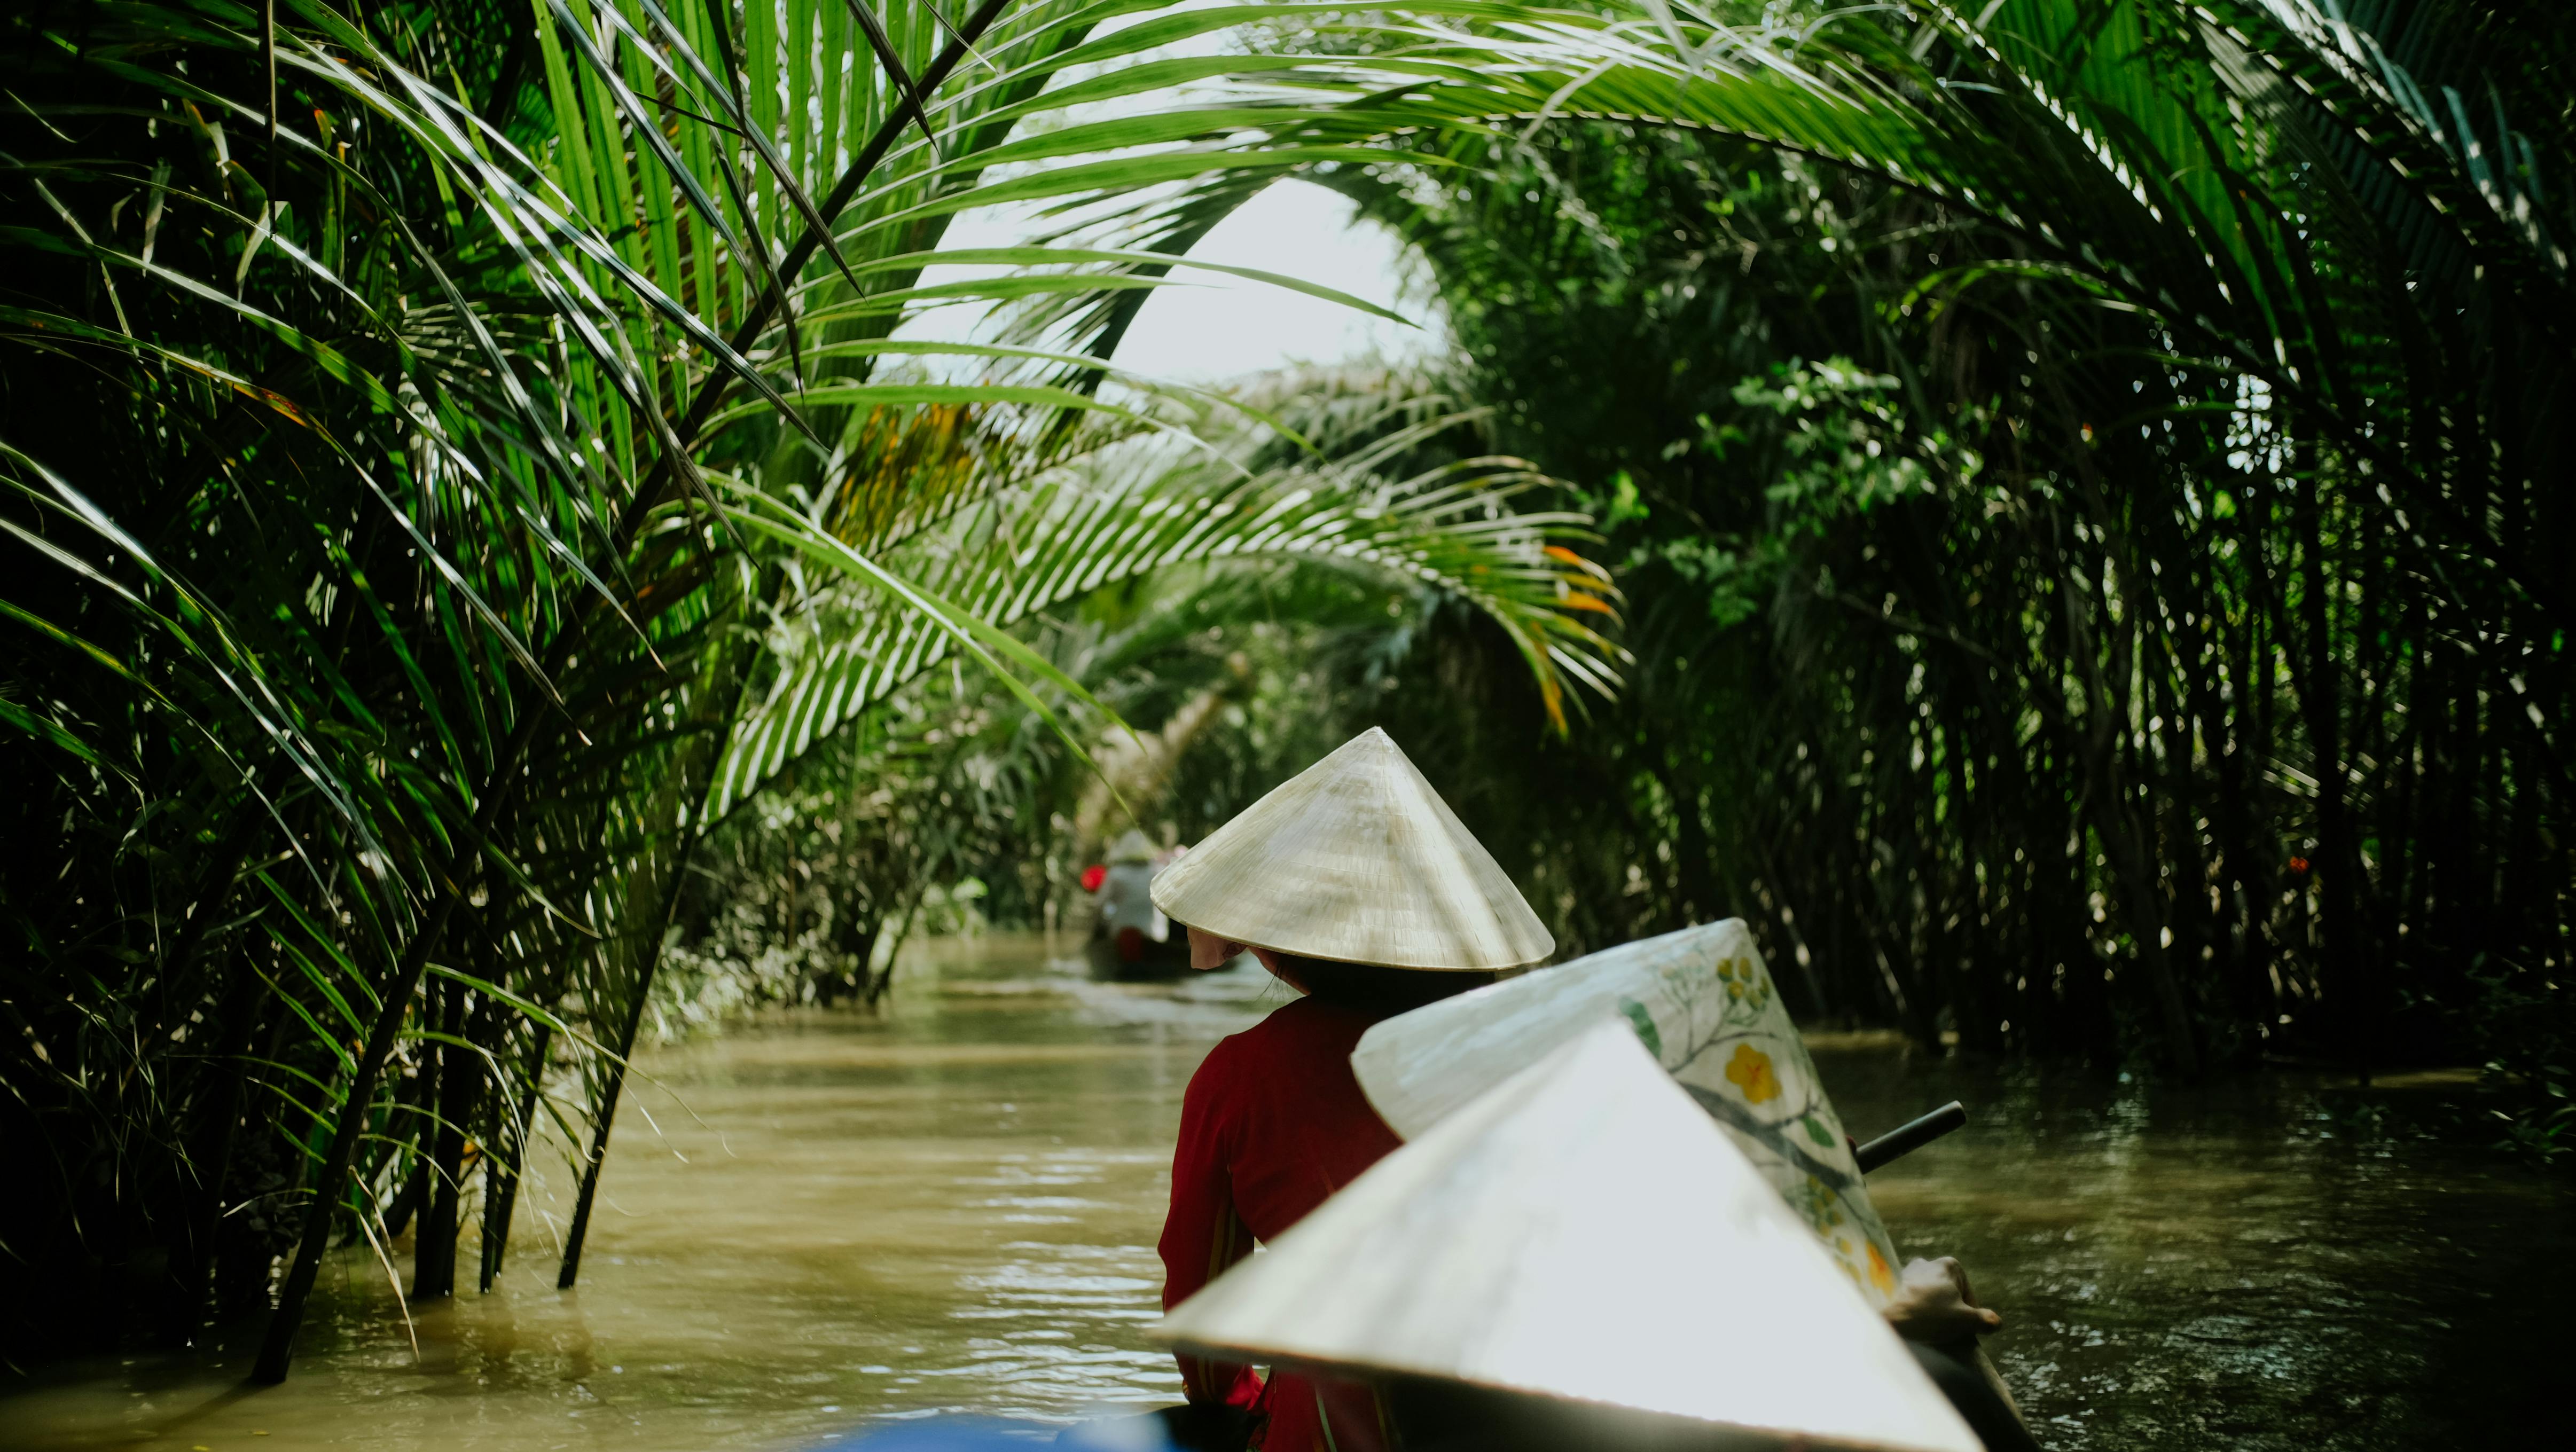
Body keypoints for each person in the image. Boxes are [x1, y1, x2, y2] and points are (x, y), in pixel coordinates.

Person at [1145, 728, 1554, 1452]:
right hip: (1545, 1402)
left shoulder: (1242, 1075)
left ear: (1282, 942)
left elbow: (1203, 1307)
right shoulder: (1535, 1047)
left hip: (1335, 1424)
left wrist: (1234, 1406)